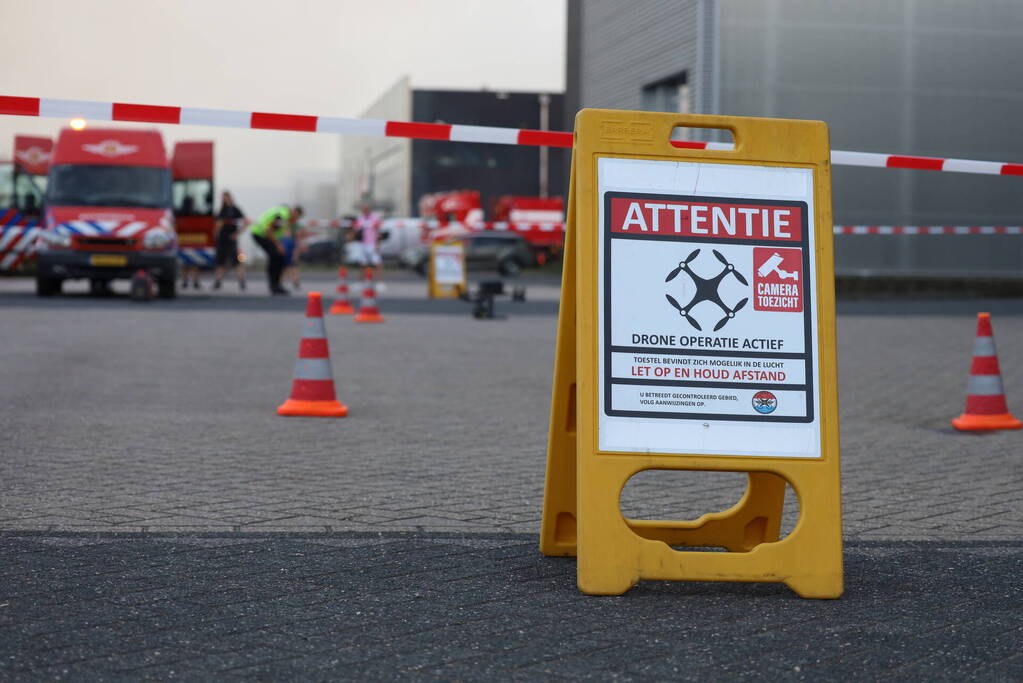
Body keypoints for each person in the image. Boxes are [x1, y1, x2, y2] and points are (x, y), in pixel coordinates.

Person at [250, 204, 303, 295]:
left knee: (278, 256)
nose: (294, 222)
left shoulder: (285, 217)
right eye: (295, 219)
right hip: (259, 233)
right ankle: (274, 285)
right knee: (276, 256)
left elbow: (278, 234)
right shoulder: (282, 215)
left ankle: (276, 285)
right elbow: (269, 231)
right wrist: (278, 246)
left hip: (264, 234)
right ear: (294, 213)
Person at [213, 191, 247, 291]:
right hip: (221, 240)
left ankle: (242, 282)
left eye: (226, 197)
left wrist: (237, 233)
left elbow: (246, 222)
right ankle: (218, 282)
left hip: (231, 240)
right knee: (220, 262)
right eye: (223, 198)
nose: (224, 200)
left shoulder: (235, 210)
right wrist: (216, 233)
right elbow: (216, 225)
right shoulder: (220, 211)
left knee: (236, 262)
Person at [354, 204, 384, 285]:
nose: (365, 210)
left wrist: (378, 244)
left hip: (372, 243)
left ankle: (380, 282)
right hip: (363, 243)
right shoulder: (360, 218)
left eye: (367, 208)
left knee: (377, 262)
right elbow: (356, 230)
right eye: (364, 209)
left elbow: (379, 232)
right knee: (362, 263)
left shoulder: (375, 217)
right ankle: (361, 282)